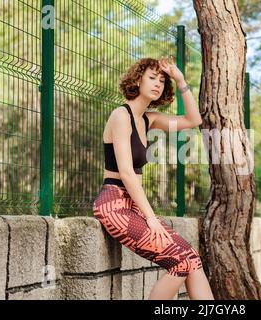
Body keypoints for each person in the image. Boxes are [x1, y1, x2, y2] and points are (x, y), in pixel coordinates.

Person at [92, 56, 214, 300]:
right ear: (137, 80)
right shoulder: (121, 115)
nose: (158, 83)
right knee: (179, 262)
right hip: (113, 205)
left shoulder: (149, 119)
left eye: (161, 80)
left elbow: (194, 120)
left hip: (132, 205)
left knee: (191, 258)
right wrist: (151, 218)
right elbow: (126, 173)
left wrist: (180, 81)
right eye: (151, 78)